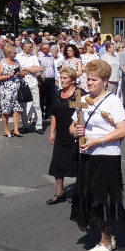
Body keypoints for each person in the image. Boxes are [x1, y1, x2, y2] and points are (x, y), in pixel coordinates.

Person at [70, 60, 125, 251]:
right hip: (86, 155)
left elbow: (124, 130)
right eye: (88, 79)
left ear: (105, 81)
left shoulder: (112, 101)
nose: (89, 83)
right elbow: (71, 126)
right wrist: (75, 130)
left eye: (93, 79)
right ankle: (103, 238)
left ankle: (108, 239)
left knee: (100, 199)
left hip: (106, 156)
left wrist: (99, 140)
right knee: (88, 197)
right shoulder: (83, 99)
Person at [46, 67, 80, 205]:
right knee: (57, 165)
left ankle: (80, 193)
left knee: (78, 166)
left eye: (65, 78)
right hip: (60, 134)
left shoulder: (79, 94)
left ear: (72, 80)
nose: (62, 80)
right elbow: (54, 114)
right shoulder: (58, 93)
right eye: (61, 77)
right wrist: (51, 132)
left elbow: (83, 113)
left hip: (74, 135)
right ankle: (60, 192)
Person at [0, 45, 25, 137]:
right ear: (8, 53)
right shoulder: (2, 63)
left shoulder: (16, 62)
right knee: (6, 110)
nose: (15, 54)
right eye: (14, 52)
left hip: (17, 88)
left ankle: (16, 129)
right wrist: (8, 75)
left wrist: (20, 74)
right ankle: (6, 129)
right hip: (6, 89)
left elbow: (22, 73)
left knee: (17, 109)